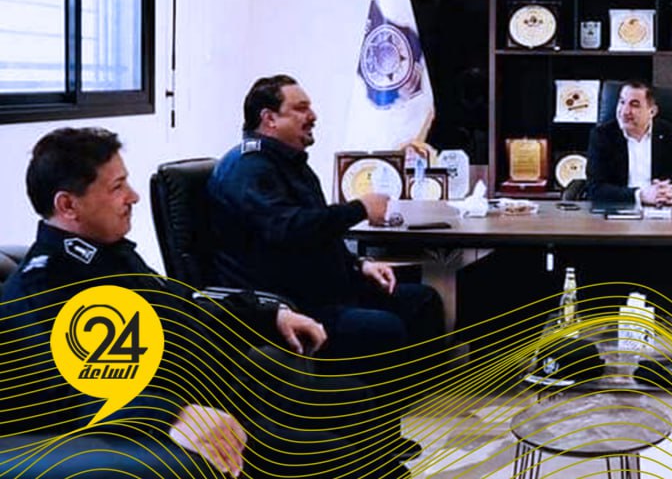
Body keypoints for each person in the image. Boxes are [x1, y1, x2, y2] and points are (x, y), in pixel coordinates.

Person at [0, 127, 412, 478]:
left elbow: (185, 301)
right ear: (68, 205)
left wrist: (270, 314)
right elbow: (76, 387)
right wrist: (172, 414)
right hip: (176, 411)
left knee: (352, 400)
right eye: (117, 187)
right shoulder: (46, 283)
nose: (133, 196)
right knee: (334, 457)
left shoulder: (108, 253)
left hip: (217, 386)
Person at [208, 74, 443, 361]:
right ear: (270, 119)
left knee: (423, 301)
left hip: (325, 289)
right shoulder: (248, 169)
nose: (313, 116)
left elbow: (319, 234)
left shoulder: (289, 162)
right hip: (290, 303)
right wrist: (360, 209)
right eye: (301, 108)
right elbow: (289, 230)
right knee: (385, 328)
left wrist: (360, 265)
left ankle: (430, 391)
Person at [585, 80, 672, 206]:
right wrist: (640, 195)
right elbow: (594, 188)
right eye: (622, 102)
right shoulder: (602, 136)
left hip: (662, 209)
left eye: (634, 105)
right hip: (620, 209)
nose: (625, 111)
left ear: (652, 111)